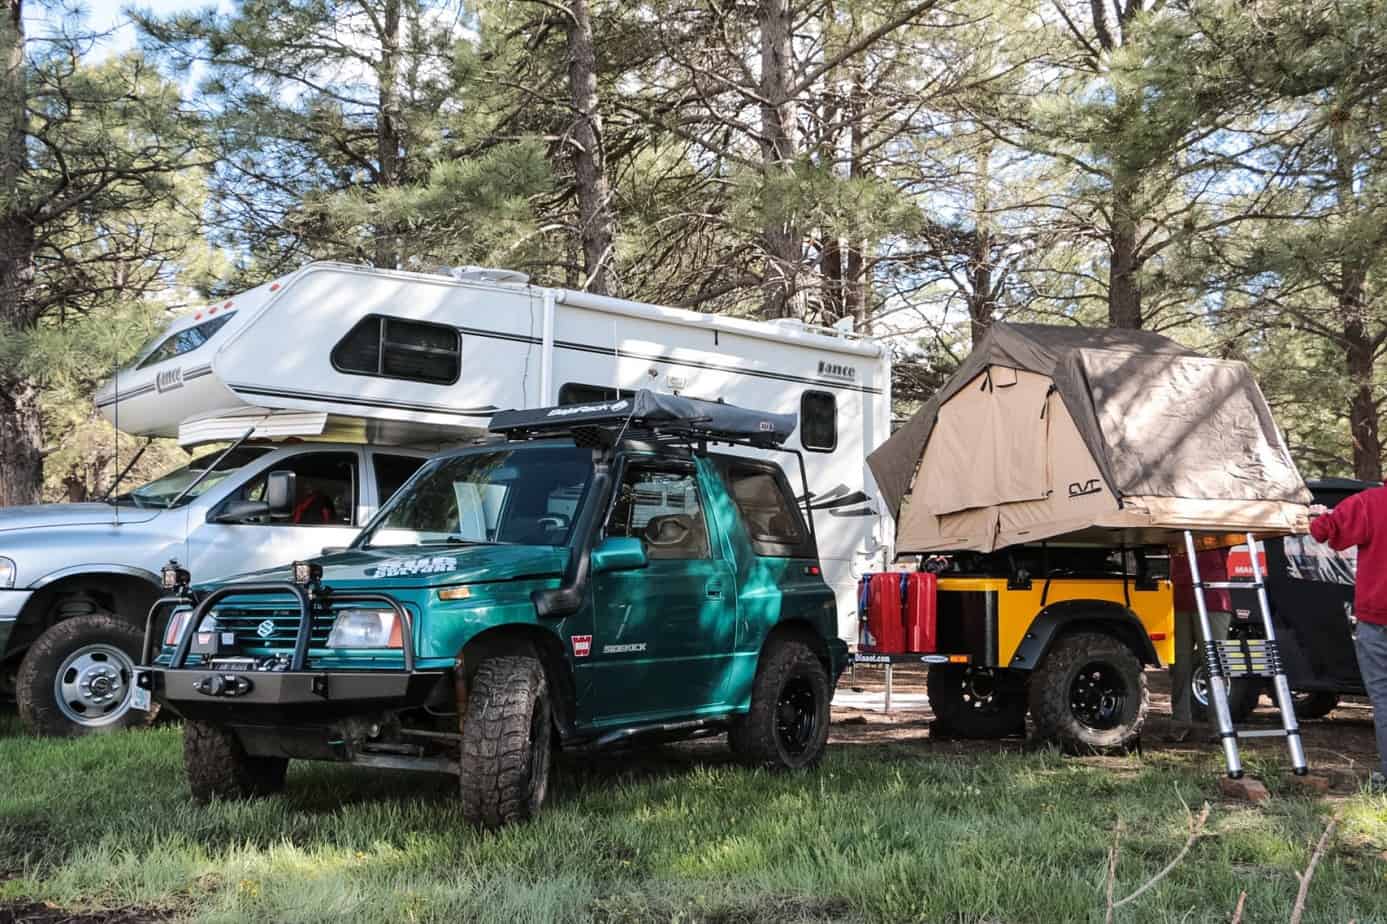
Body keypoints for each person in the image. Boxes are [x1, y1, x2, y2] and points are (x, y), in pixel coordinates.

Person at [1309, 491, 1387, 790]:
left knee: (1383, 699)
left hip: (1377, 619)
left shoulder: (1370, 502)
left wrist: (1317, 515)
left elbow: (1323, 530)